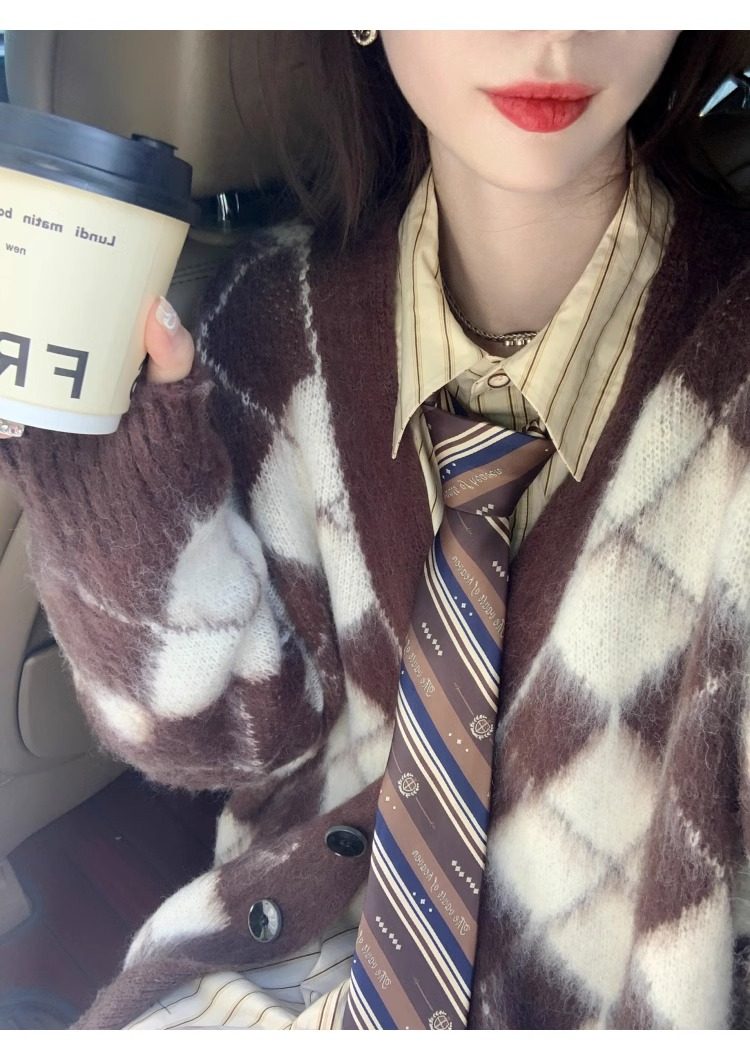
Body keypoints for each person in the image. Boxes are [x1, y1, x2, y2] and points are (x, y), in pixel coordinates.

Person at [1, 29, 749, 1030]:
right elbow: (223, 735)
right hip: (287, 976)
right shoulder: (269, 323)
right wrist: (112, 491)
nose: (555, 30)